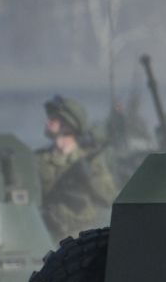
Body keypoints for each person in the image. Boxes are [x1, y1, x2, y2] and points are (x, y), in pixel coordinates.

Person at [37, 95, 119, 241]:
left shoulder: (90, 161)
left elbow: (110, 197)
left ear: (68, 124)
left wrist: (90, 179)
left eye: (53, 118)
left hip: (82, 236)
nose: (47, 122)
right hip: (48, 235)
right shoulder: (40, 160)